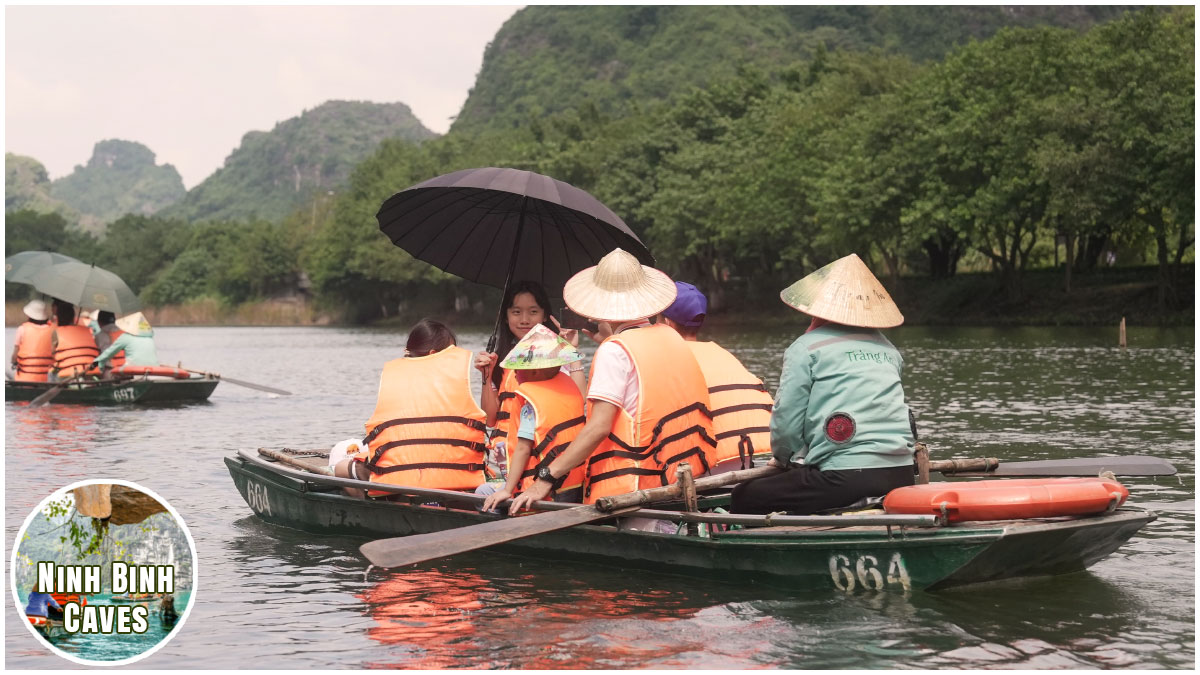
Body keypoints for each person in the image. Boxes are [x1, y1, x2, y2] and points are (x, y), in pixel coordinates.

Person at [508, 248, 717, 516]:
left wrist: (545, 480)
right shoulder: (669, 335)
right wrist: (609, 342)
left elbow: (598, 428)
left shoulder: (615, 350)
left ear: (601, 306)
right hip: (682, 476)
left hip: (635, 492)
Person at [730, 253, 916, 515]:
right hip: (903, 476)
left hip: (844, 478)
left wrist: (787, 460)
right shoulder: (889, 349)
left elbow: (787, 423)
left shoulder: (806, 348)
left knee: (745, 496)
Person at [334, 319, 487, 497]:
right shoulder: (456, 383)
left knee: (342, 468)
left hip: (400, 479)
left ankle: (375, 507)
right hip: (457, 477)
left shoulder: (395, 378)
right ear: (434, 354)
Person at [473, 281, 586, 478]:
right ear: (506, 317)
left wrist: (571, 351)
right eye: (516, 312)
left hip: (547, 459)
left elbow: (580, 400)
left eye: (533, 312)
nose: (524, 320)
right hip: (504, 459)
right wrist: (487, 375)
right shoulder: (499, 360)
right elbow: (491, 418)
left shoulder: (558, 353)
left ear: (544, 316)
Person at [659, 282, 774, 474]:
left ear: (668, 323)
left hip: (702, 469)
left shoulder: (667, 359)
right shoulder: (721, 354)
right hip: (742, 461)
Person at [480, 324, 588, 512]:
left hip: (541, 492)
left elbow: (522, 449)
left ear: (535, 371)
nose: (515, 374)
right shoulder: (569, 389)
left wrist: (508, 489)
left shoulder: (531, 406)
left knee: (482, 492)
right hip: (573, 485)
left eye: (518, 369)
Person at [50, 300, 100, 380]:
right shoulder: (88, 330)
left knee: (50, 373)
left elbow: (53, 355)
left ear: (59, 317)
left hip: (69, 374)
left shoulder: (57, 332)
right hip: (90, 372)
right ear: (73, 317)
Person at [93, 312, 158, 370]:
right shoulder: (150, 339)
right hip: (153, 370)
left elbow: (108, 353)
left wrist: (95, 363)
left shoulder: (126, 337)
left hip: (132, 372)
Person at [11, 300, 55, 382]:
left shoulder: (22, 329)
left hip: (24, 378)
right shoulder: (53, 330)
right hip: (46, 378)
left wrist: (14, 362)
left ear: (29, 315)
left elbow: (14, 357)